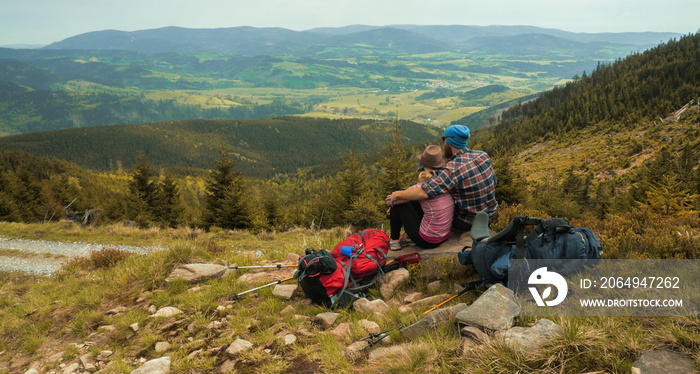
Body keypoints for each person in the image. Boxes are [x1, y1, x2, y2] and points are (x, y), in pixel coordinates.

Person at [386, 125, 497, 232]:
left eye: (444, 139)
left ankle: (417, 235)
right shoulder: (483, 155)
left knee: (420, 201)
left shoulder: (452, 168)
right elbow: (494, 182)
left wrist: (397, 195)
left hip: (467, 222)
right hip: (491, 215)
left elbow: (425, 192)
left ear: (448, 142)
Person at [385, 145, 454, 250]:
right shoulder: (444, 183)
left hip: (427, 241)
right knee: (412, 200)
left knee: (398, 203)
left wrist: (391, 204)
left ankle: (395, 240)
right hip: (444, 236)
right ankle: (407, 237)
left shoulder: (421, 187)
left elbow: (390, 201)